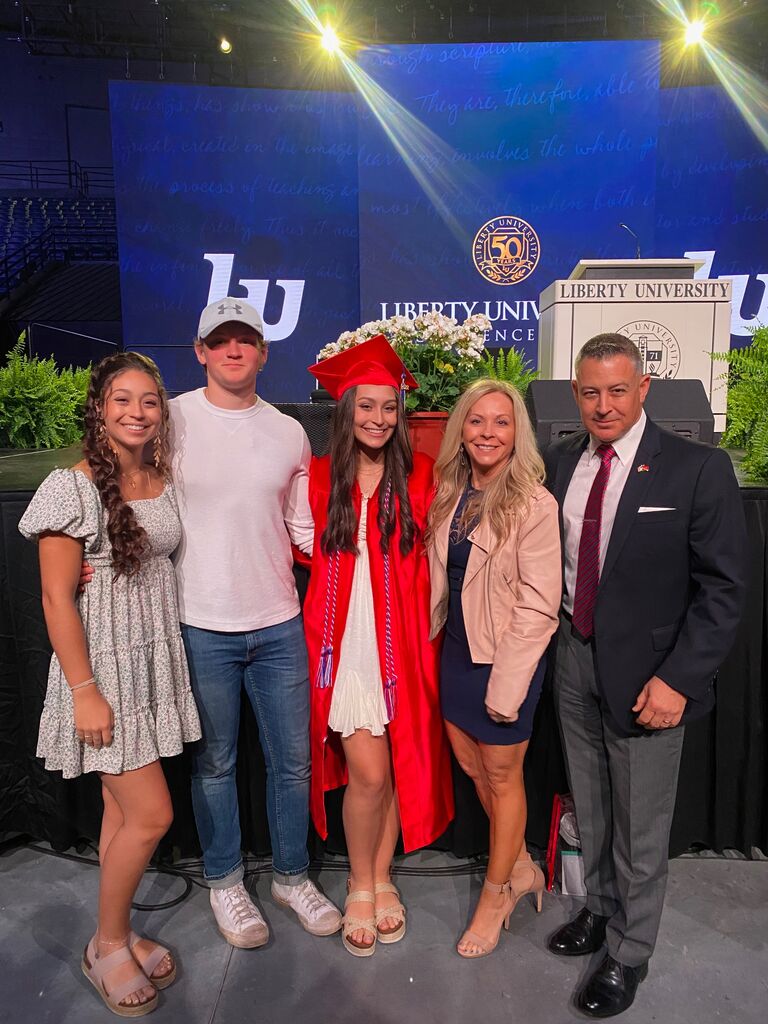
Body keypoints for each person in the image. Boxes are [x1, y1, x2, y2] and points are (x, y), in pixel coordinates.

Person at [82, 298, 341, 948]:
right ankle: (225, 882)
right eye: (220, 340)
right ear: (199, 351)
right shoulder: (167, 419)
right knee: (214, 765)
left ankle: (290, 876)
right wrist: (93, 551)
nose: (233, 350)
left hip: (280, 623)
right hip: (197, 628)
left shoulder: (288, 432)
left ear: (263, 350)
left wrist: (359, 554)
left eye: (245, 340)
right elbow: (116, 482)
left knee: (293, 765)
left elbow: (302, 526)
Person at [544, 333, 747, 1018]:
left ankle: (630, 953)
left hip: (651, 674)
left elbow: (724, 590)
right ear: (576, 393)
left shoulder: (696, 468)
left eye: (618, 390)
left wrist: (680, 680)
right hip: (574, 654)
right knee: (594, 808)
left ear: (644, 389)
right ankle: (600, 913)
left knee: (641, 825)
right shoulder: (561, 460)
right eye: (592, 392)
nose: (605, 405)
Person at [19, 352, 202, 1017]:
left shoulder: (160, 475)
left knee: (124, 813)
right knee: (152, 813)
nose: (137, 412)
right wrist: (84, 689)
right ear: (99, 407)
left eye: (149, 401)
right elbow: (54, 598)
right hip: (103, 671)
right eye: (122, 400)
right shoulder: (70, 488)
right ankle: (109, 943)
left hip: (152, 662)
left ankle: (114, 935)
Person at [304, 334, 454, 957]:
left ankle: (383, 876)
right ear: (345, 411)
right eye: (366, 406)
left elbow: (450, 551)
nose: (378, 418)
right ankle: (359, 882)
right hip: (346, 647)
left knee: (392, 766)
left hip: (406, 647)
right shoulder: (313, 479)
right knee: (367, 773)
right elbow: (285, 553)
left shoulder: (421, 476)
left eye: (389, 407)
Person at [427, 379, 562, 959]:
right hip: (457, 653)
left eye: (501, 422)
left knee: (503, 778)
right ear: (462, 429)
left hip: (506, 660)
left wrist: (507, 686)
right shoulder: (450, 490)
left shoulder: (533, 502)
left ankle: (496, 892)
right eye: (477, 421)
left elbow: (537, 605)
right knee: (472, 768)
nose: (487, 432)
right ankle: (526, 866)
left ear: (517, 433)